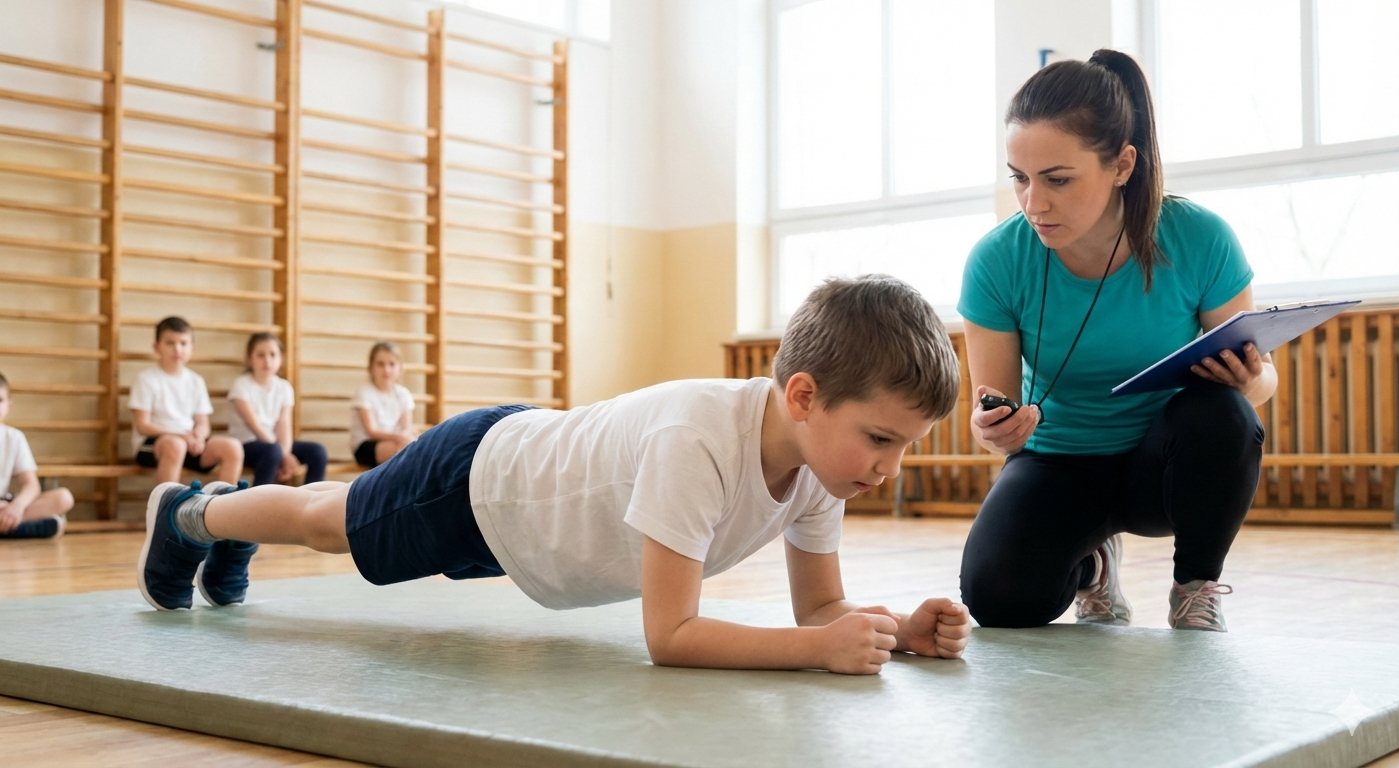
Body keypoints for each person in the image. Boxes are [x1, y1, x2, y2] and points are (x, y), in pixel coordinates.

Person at [136, 276, 973, 675]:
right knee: (332, 524)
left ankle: (223, 515)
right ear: (803, 396)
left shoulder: (825, 465)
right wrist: (818, 652)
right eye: (880, 440)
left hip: (527, 524)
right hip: (485, 483)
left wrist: (894, 628)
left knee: (336, 509)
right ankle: (194, 516)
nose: (889, 470)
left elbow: (821, 608)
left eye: (903, 447)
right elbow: (671, 638)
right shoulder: (699, 443)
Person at [957, 50, 1273, 633]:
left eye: (1057, 180)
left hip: (1163, 468)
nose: (1034, 204)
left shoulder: (1199, 237)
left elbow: (1262, 381)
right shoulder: (996, 260)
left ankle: (1195, 586)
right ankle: (1092, 564)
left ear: (1122, 164)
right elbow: (992, 414)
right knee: (997, 597)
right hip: (1058, 463)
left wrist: (1252, 379)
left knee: (1225, 414)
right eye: (1020, 179)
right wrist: (990, 428)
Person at [130, 317, 244, 485]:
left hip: (188, 442)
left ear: (191, 348)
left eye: (183, 343)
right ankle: (166, 508)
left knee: (232, 447)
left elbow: (203, 423)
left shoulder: (196, 381)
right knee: (175, 445)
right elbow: (143, 425)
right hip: (156, 445)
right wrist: (182, 436)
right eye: (170, 343)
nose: (177, 349)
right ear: (157, 347)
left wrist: (198, 436)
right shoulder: (146, 380)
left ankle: (224, 507)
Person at [228, 333, 328, 486]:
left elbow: (284, 424)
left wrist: (285, 453)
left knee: (317, 452)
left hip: (275, 445)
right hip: (247, 444)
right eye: (260, 355)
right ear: (249, 359)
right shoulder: (241, 385)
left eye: (273, 355)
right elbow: (255, 427)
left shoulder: (284, 387)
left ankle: (311, 501)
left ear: (280, 358)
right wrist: (282, 454)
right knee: (272, 452)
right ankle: (258, 505)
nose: (267, 361)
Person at [0, 373, 74, 539]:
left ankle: (8, 524)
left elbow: (31, 485)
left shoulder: (14, 437)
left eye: (0, 400)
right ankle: (16, 529)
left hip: (5, 506)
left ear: (9, 405)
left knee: (63, 498)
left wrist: (16, 507)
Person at [350, 341, 417, 468]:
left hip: (395, 441)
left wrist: (406, 436)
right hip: (367, 444)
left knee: (415, 442)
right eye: (380, 364)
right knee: (402, 447)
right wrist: (399, 437)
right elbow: (372, 431)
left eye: (392, 364)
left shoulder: (403, 394)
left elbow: (405, 428)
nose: (386, 370)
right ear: (371, 367)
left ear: (399, 367)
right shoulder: (364, 393)